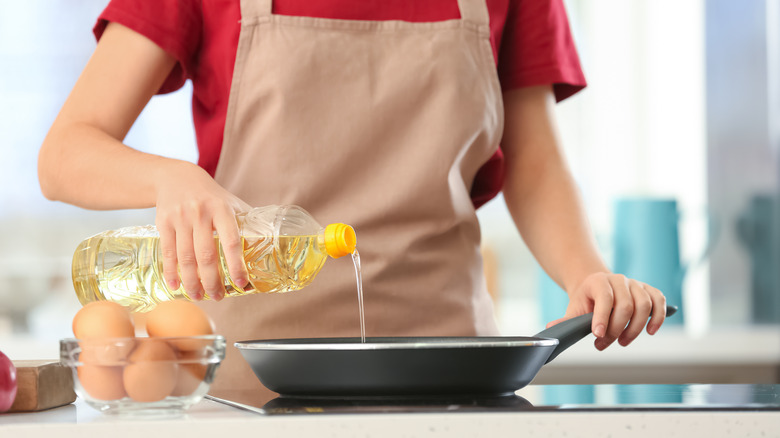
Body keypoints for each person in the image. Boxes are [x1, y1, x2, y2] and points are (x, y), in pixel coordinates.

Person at [38, 0, 667, 398]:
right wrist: (169, 179)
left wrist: (585, 273)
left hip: (451, 385)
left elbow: (533, 163)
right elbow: (64, 154)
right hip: (253, 395)